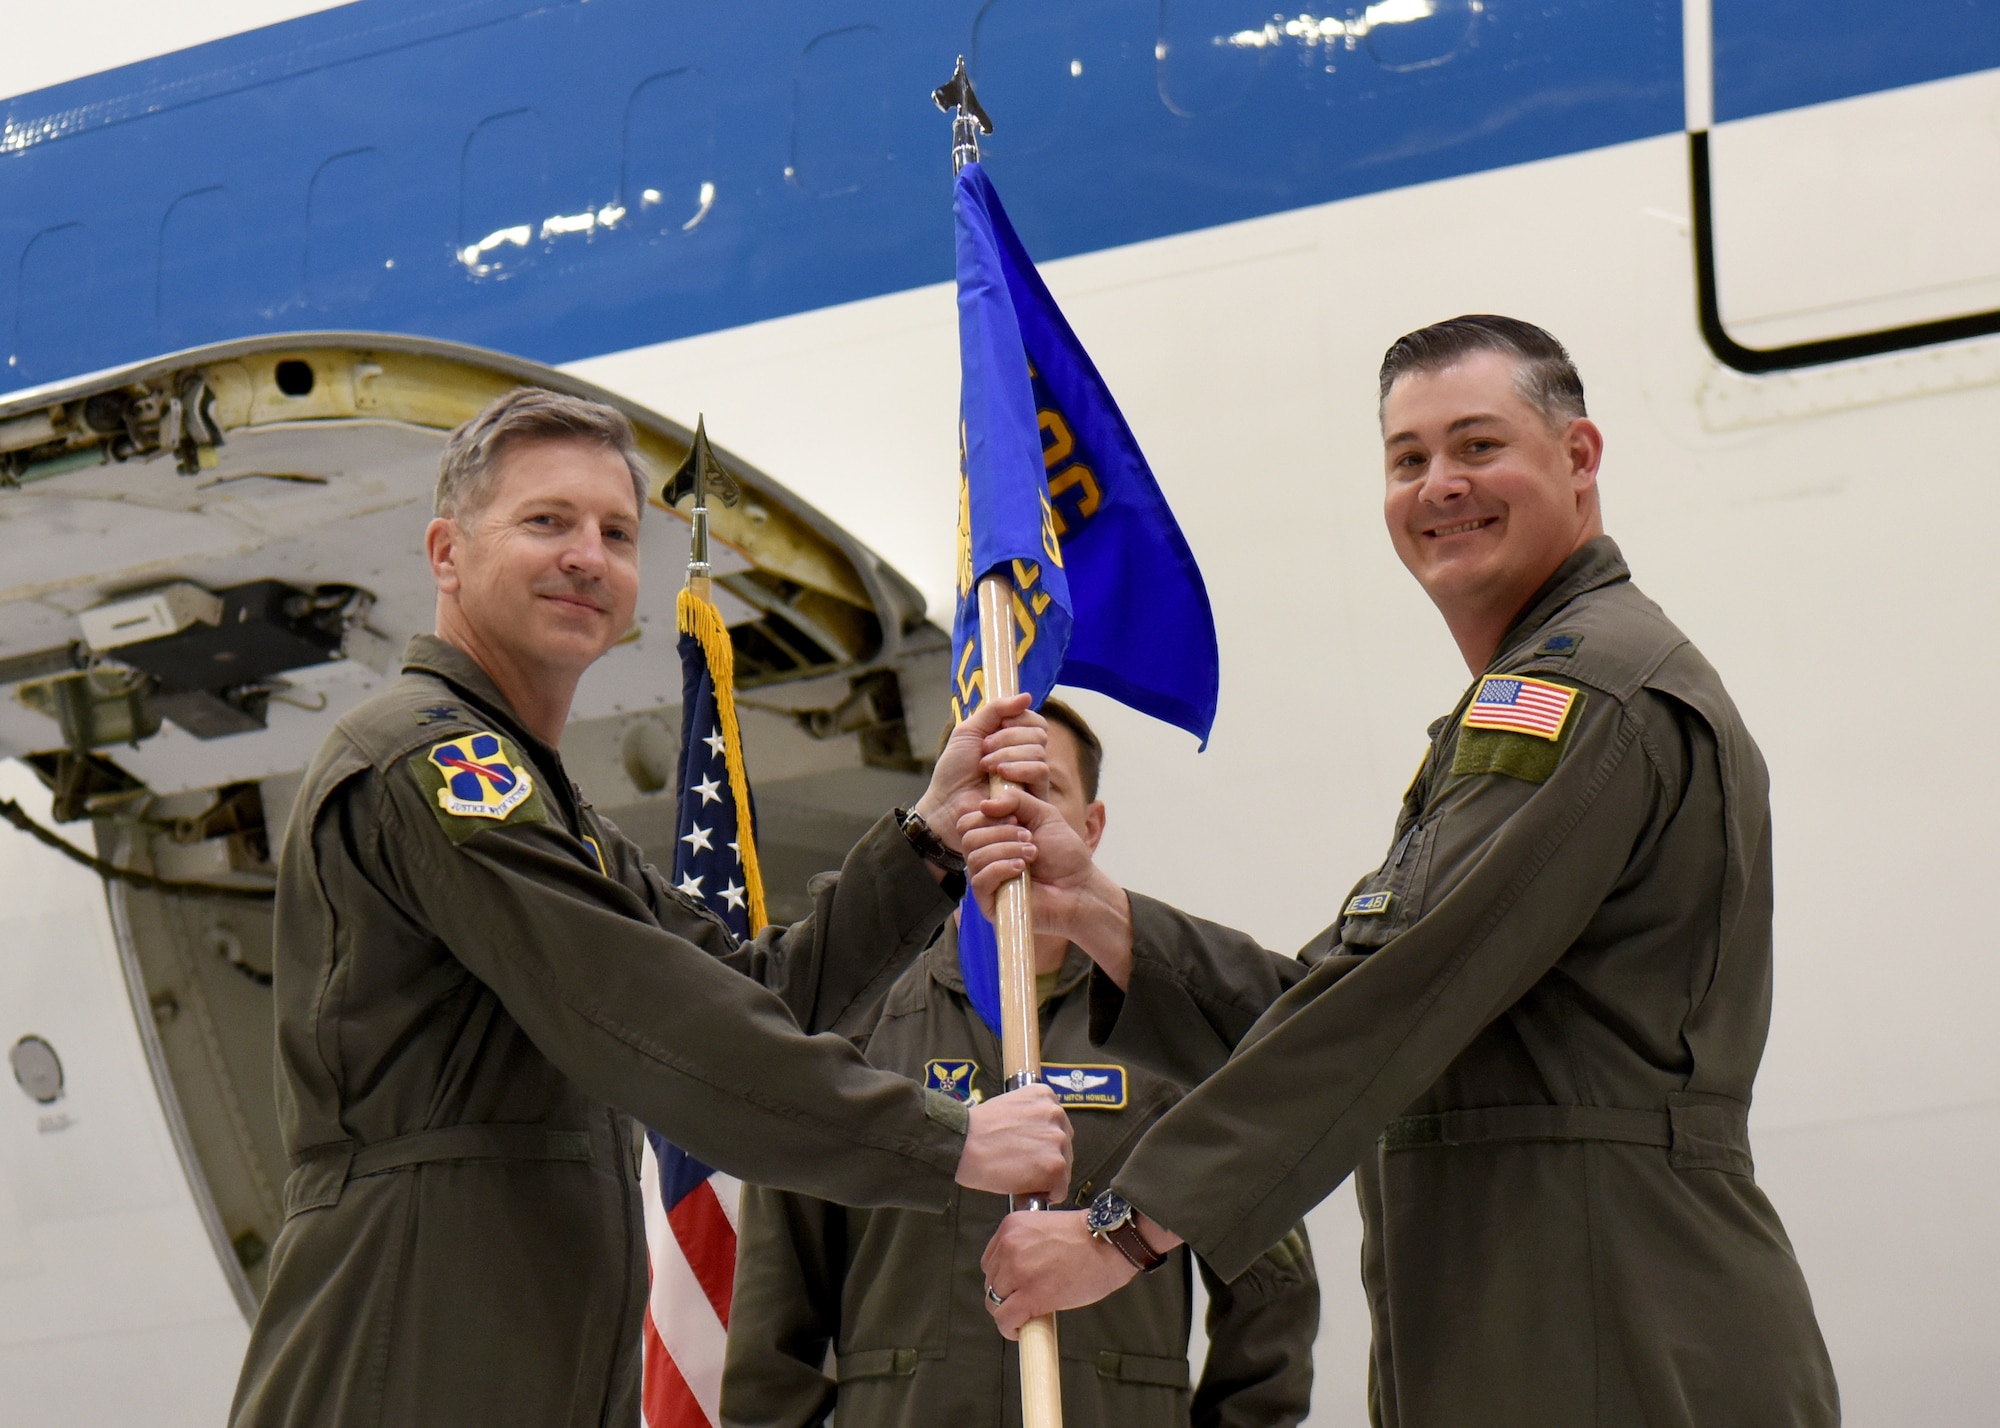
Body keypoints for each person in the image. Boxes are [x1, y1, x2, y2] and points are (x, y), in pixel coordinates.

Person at [967, 318, 1841, 1427]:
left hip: (1601, 1325)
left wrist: (1124, 1227)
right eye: (1407, 458)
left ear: (1577, 459)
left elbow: (1383, 1007)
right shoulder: (1542, 695)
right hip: (1541, 1312)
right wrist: (1092, 908)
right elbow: (1364, 1008)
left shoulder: (1583, 698)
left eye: (1476, 447)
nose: (1438, 486)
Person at [229, 389, 1073, 1428]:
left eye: (616, 533)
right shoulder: (432, 763)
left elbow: (745, 998)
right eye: (546, 522)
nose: (587, 554)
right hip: (409, 1345)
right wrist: (945, 1140)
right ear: (445, 553)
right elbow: (648, 1024)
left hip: (522, 1349)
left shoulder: (550, 807)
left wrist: (925, 846)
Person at [720, 699, 1319, 1428]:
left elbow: (1271, 1287)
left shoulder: (1171, 1031)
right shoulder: (862, 1026)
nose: (1011, 812)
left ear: (1090, 827)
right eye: (988, 787)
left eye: (1042, 791)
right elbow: (775, 1310)